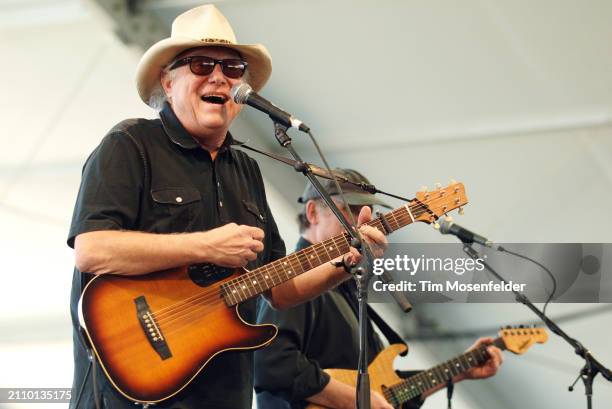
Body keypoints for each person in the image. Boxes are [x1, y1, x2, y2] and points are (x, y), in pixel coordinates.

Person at [66, 6, 386, 409]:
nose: (219, 77)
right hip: (134, 395)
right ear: (168, 81)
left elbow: (280, 289)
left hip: (225, 394)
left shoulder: (246, 169)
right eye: (201, 64)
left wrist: (344, 259)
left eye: (233, 68)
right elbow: (92, 250)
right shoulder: (130, 144)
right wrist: (206, 247)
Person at [254, 169, 503, 409]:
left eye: (367, 212)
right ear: (312, 212)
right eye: (347, 211)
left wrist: (459, 372)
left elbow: (383, 394)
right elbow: (272, 363)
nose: (361, 222)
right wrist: (354, 400)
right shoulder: (293, 282)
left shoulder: (349, 285)